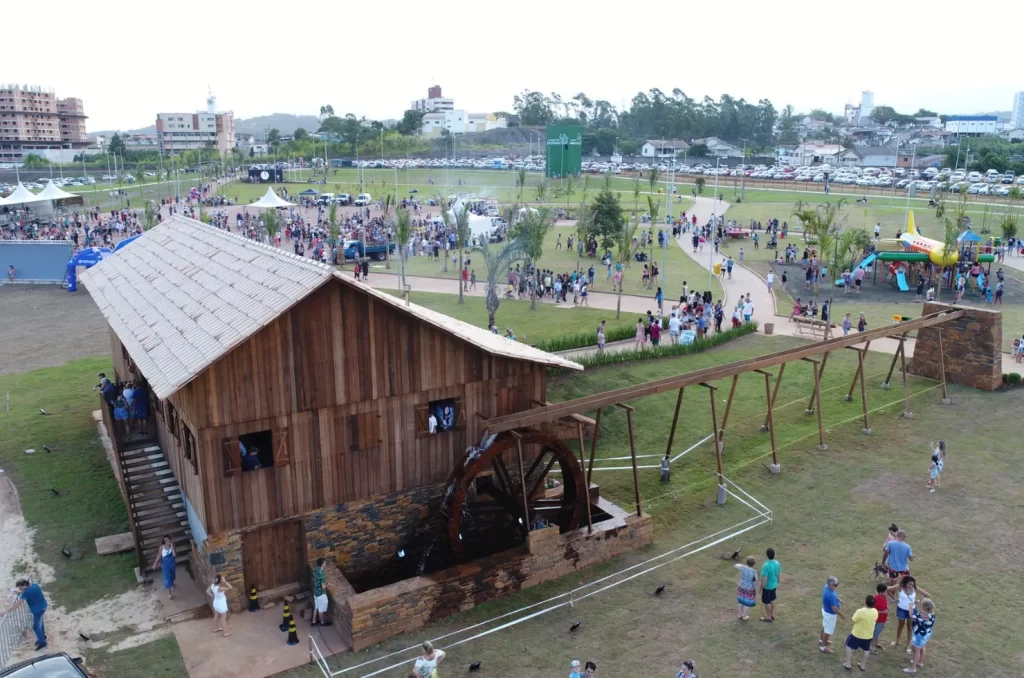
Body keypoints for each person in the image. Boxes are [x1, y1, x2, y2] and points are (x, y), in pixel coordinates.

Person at [888, 576, 930, 653]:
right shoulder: (900, 587)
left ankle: (908, 645)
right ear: (905, 583)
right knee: (900, 625)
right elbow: (888, 590)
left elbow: (927, 595)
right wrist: (894, 598)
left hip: (912, 610)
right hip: (901, 609)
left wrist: (918, 601)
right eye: (910, 584)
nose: (911, 586)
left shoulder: (915, 588)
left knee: (910, 627)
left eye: (912, 584)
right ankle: (897, 641)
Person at [6, 580, 48, 650]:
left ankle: (42, 643)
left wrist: (6, 612)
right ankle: (42, 637)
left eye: (20, 588)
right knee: (40, 622)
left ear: (25, 585)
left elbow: (17, 604)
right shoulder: (34, 585)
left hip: (37, 610)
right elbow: (31, 593)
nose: (20, 589)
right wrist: (21, 592)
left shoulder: (26, 593)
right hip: (43, 606)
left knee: (36, 627)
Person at [844, 595, 878, 671]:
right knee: (866, 650)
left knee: (848, 646)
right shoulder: (875, 611)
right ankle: (863, 665)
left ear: (865, 602)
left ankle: (848, 663)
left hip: (857, 634)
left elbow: (853, 619)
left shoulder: (860, 611)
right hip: (869, 635)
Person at [904, 598, 935, 674]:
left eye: (922, 604)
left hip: (920, 635)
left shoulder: (923, 615)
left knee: (916, 651)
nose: (920, 603)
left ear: (925, 607)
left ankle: (913, 668)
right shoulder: (931, 614)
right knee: (922, 647)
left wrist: (911, 606)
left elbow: (911, 615)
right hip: (926, 634)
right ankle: (920, 662)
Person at [820, 576, 843, 654]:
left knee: (824, 625)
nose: (837, 586)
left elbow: (834, 594)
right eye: (836, 585)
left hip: (825, 611)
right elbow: (834, 609)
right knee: (828, 630)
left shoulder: (826, 587)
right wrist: (841, 615)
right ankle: (823, 647)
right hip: (830, 614)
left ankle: (821, 640)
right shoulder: (830, 595)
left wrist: (838, 599)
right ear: (831, 585)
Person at [759, 547, 780, 622]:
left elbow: (764, 579)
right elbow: (778, 574)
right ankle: (771, 614)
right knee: (772, 599)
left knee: (767, 602)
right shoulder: (777, 563)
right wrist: (777, 582)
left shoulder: (766, 566)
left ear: (767, 555)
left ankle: (768, 617)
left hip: (767, 587)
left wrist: (761, 588)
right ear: (774, 554)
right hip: (774, 585)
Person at [152, 535, 176, 600]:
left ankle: (172, 583)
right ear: (164, 541)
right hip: (165, 565)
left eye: (168, 540)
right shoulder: (161, 547)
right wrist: (155, 563)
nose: (167, 541)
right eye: (165, 540)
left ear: (170, 540)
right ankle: (170, 593)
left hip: (172, 563)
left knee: (172, 575)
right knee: (168, 578)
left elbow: (174, 555)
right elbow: (159, 556)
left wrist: (172, 547)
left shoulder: (172, 546)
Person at [734, 556, 758, 620]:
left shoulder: (743, 568)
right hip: (749, 589)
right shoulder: (754, 572)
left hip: (742, 587)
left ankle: (739, 615)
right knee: (746, 603)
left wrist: (742, 565)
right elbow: (756, 582)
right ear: (753, 564)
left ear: (747, 562)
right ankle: (744, 616)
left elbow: (735, 565)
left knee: (740, 601)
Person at [311, 557, 332, 626]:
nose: (325, 564)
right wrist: (328, 585)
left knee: (316, 607)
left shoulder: (315, 570)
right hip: (321, 594)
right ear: (322, 564)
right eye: (325, 563)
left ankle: (313, 621)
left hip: (316, 592)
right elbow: (323, 587)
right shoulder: (322, 574)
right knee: (321, 610)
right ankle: (322, 622)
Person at [871, 582, 889, 654]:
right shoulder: (875, 599)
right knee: (875, 633)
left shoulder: (884, 597)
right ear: (881, 592)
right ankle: (872, 646)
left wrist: (887, 607)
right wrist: (883, 612)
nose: (886, 593)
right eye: (885, 592)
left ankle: (877, 643)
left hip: (882, 619)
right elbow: (873, 610)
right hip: (878, 619)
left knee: (879, 631)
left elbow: (885, 603)